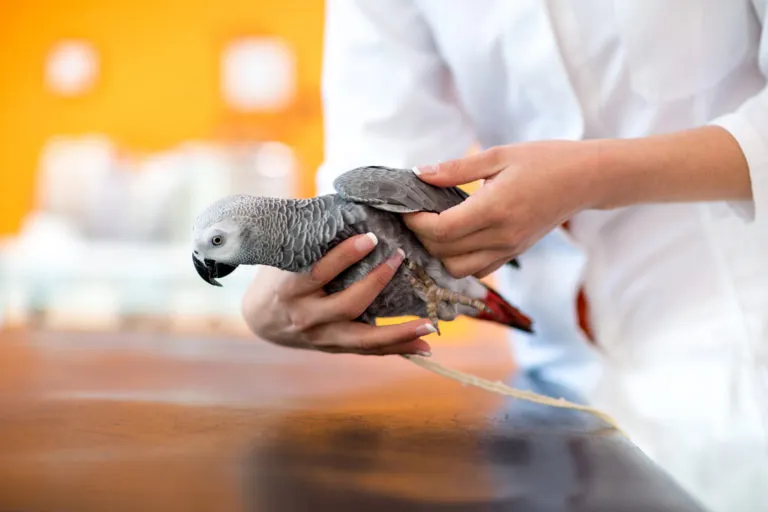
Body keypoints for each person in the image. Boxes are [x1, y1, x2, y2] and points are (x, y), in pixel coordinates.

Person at [241, 2, 768, 511]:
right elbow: (380, 165)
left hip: (745, 352)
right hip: (558, 384)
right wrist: (295, 285)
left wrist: (595, 175)